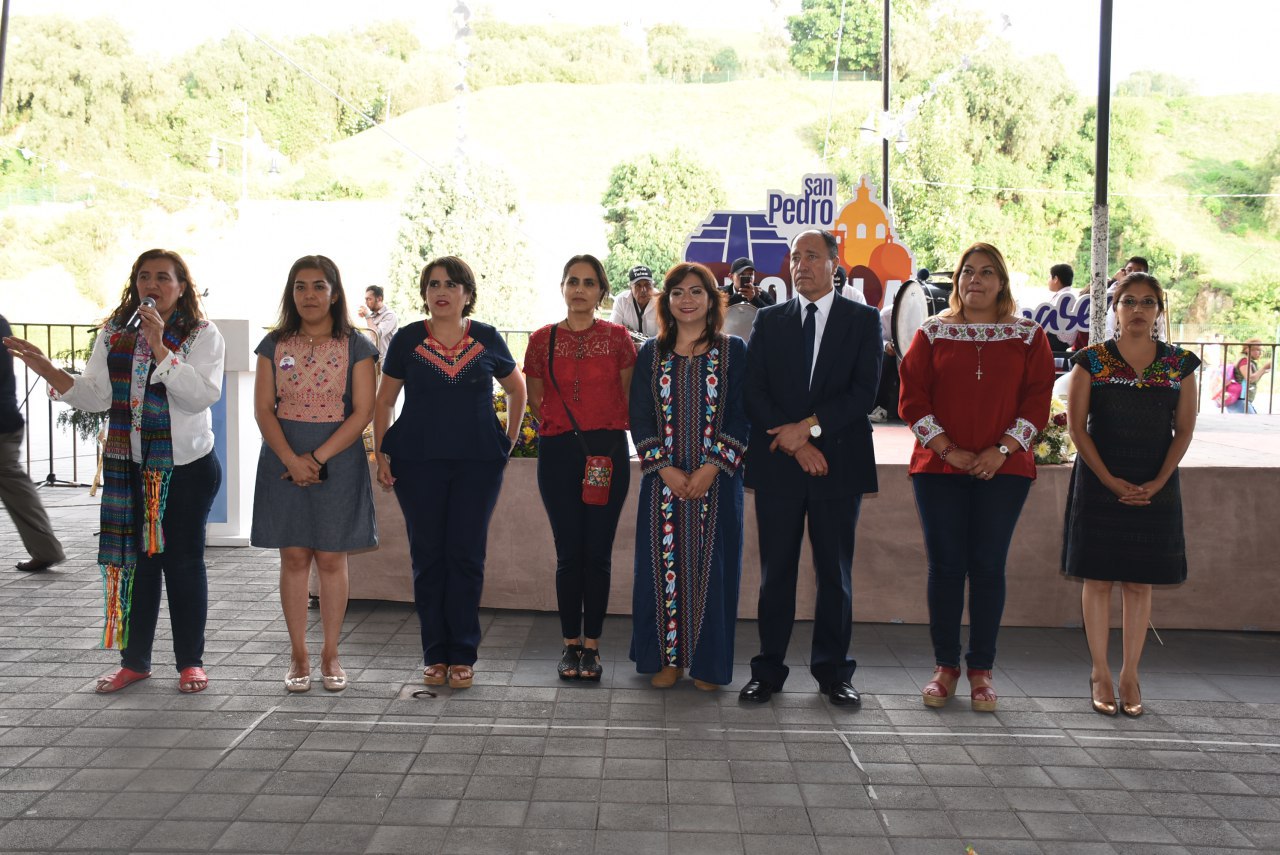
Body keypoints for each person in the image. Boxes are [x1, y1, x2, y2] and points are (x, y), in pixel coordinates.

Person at [4, 249, 225, 694]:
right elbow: (96, 396)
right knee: (138, 566)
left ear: (182, 287)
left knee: (182, 564)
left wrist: (162, 345)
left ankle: (190, 663)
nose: (153, 285)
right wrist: (46, 367)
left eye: (164, 277)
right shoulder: (115, 332)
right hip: (131, 469)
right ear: (134, 284)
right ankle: (135, 661)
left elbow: (201, 397)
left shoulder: (202, 333)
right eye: (145, 277)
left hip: (186, 470)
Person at [898, 242, 1054, 713]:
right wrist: (948, 449)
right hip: (938, 468)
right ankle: (945, 667)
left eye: (987, 272)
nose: (975, 280)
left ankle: (981, 671)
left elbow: (1038, 401)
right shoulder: (931, 332)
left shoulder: (1030, 335)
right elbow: (912, 399)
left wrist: (1001, 450)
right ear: (957, 281)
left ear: (1002, 282)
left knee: (987, 567)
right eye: (968, 272)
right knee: (946, 568)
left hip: (1005, 471)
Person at [738, 229, 882, 707]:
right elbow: (754, 390)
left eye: (811, 257)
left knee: (833, 575)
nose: (800, 265)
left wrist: (811, 429)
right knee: (775, 573)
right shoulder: (770, 320)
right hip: (782, 463)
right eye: (795, 258)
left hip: (838, 464)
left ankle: (833, 673)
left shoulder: (862, 320)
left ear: (835, 264)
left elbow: (864, 393)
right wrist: (796, 442)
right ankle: (768, 671)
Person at [374, 256, 526, 690]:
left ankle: (462, 653)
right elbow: (384, 402)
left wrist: (508, 440)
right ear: (424, 293)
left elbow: (517, 388)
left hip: (478, 463)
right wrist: (383, 451)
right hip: (417, 462)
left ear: (467, 294)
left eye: (451, 284)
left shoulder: (487, 337)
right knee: (428, 558)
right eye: (433, 284)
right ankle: (434, 654)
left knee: (465, 555)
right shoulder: (406, 339)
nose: (442, 291)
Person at [1063, 272, 1198, 718]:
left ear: (1159, 311)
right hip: (1100, 481)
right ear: (1114, 309)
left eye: (1147, 302)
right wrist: (1106, 478)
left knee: (1139, 582)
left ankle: (1130, 673)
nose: (1138, 309)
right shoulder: (1091, 360)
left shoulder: (1179, 364)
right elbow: (1077, 428)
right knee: (1098, 579)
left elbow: (1184, 431)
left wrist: (1158, 482)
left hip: (1154, 481)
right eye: (1128, 301)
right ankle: (1100, 671)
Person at [251, 256, 378, 693]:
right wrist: (291, 458)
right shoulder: (273, 343)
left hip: (338, 461)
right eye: (301, 286)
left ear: (335, 293)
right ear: (291, 293)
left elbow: (362, 411)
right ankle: (298, 654)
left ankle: (331, 653)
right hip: (281, 461)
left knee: (330, 557)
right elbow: (263, 409)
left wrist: (317, 458)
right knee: (293, 557)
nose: (309, 295)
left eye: (319, 287)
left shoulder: (357, 345)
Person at [630, 262, 748, 690]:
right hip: (664, 485)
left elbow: (741, 413)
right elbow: (640, 417)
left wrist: (710, 467)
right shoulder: (651, 353)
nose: (686, 300)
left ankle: (706, 665)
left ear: (711, 299)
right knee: (663, 569)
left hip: (717, 484)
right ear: (666, 301)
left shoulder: (734, 350)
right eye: (677, 292)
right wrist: (666, 470)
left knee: (713, 571)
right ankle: (666, 661)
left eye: (696, 291)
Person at [524, 255, 635, 681]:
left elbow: (625, 396)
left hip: (605, 451)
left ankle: (594, 646)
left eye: (589, 283)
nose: (580, 289)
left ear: (601, 292)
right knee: (569, 553)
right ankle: (570, 644)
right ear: (562, 287)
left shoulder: (619, 338)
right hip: (557, 453)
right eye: (573, 281)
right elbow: (536, 400)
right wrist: (562, 431)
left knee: (598, 553)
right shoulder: (541, 339)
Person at [1, 314, 66, 572]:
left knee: (13, 482)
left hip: (2, 423)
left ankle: (46, 549)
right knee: (14, 484)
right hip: (5, 419)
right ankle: (45, 549)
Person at [609, 265, 659, 339]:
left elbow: (666, 335)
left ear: (653, 285)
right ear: (630, 287)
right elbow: (613, 331)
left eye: (647, 285)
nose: (643, 290)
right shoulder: (621, 301)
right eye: (638, 285)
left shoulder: (662, 301)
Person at [1226, 339, 1271, 414]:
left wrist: (1263, 371)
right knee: (1253, 422)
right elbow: (1250, 378)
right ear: (1247, 349)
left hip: (1242, 399)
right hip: (1240, 399)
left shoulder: (1249, 361)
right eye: (1257, 350)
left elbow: (1253, 379)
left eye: (1261, 350)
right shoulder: (1244, 361)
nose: (1260, 353)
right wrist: (1264, 368)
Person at [358, 285, 398, 363]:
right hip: (372, 361)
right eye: (365, 299)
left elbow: (376, 335)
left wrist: (367, 316)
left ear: (379, 299)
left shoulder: (389, 315)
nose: (366, 303)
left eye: (369, 299)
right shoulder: (371, 316)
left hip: (386, 363)